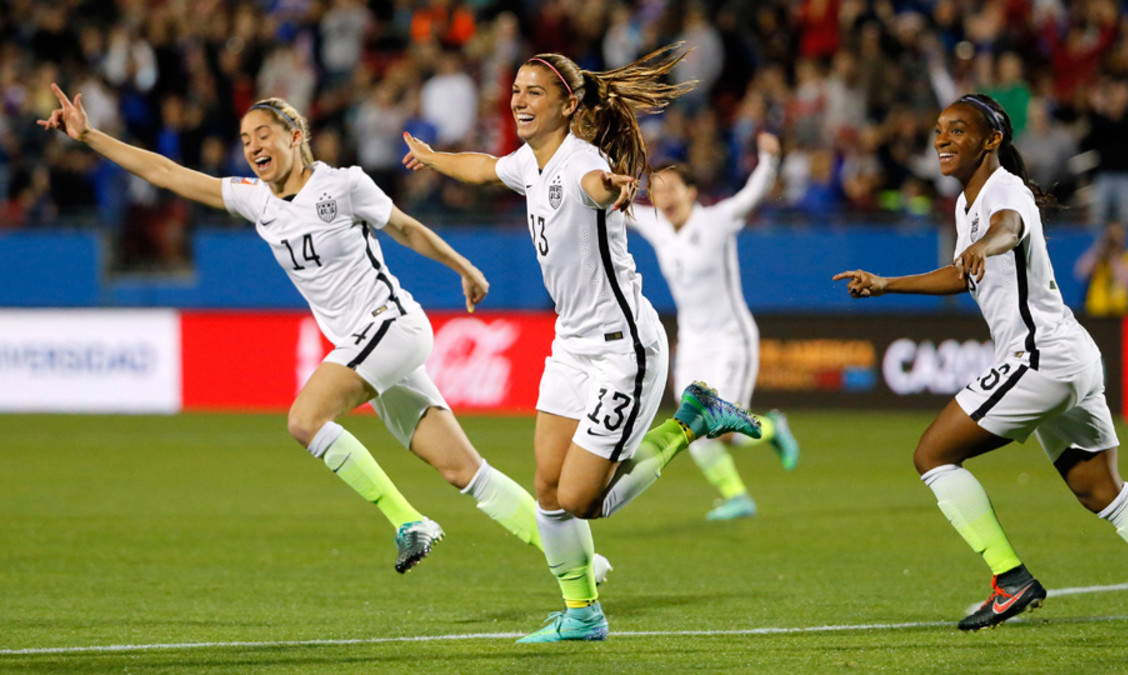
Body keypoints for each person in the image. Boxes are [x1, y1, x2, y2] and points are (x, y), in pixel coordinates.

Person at [36, 84, 618, 582]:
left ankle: (409, 522)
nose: (253, 146)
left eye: (263, 133)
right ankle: (581, 565)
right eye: (244, 139)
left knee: (304, 419)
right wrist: (90, 137)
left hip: (392, 328)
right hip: (367, 347)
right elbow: (165, 172)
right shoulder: (256, 202)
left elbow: (406, 229)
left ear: (295, 134)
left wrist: (464, 268)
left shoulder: (343, 185)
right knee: (465, 472)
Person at [401, 44, 762, 643]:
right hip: (571, 345)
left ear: (568, 106)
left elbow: (597, 185)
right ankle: (583, 614)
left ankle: (692, 420)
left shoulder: (581, 163)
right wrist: (437, 159)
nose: (519, 99)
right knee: (547, 490)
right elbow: (486, 167)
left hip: (624, 350)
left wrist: (610, 189)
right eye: (516, 89)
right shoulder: (529, 161)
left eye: (534, 92)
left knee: (585, 499)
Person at [833, 93, 1128, 645]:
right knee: (1102, 491)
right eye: (938, 130)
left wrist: (987, 243)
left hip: (1040, 357)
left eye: (958, 130)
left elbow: (1008, 229)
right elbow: (965, 273)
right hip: (1070, 355)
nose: (942, 139)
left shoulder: (1005, 193)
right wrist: (888, 284)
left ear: (992, 139)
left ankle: (1010, 577)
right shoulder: (966, 204)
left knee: (933, 455)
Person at [628, 132, 800, 521]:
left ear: (691, 192)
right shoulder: (657, 227)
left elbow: (750, 197)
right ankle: (737, 496)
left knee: (726, 429)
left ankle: (772, 426)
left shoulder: (717, 221)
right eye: (656, 190)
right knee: (691, 423)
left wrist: (768, 160)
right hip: (692, 344)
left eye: (672, 187)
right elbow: (614, 204)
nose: (663, 196)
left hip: (730, 339)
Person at [1074, 222, 1128, 318]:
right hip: (1095, 309)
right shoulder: (1098, 255)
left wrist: (1114, 255)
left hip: (1120, 311)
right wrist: (1099, 248)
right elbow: (1080, 272)